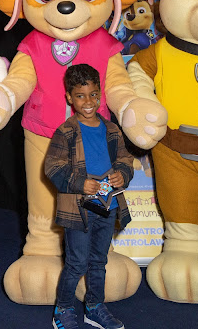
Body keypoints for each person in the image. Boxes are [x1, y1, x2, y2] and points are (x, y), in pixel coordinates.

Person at [45, 64, 134, 329]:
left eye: (94, 94)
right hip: (78, 209)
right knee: (76, 263)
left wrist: (122, 174)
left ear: (100, 94)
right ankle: (62, 309)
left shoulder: (112, 129)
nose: (88, 102)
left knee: (99, 261)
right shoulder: (66, 132)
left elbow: (125, 160)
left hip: (108, 205)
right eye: (80, 96)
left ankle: (94, 306)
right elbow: (53, 166)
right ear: (69, 98)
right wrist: (79, 183)